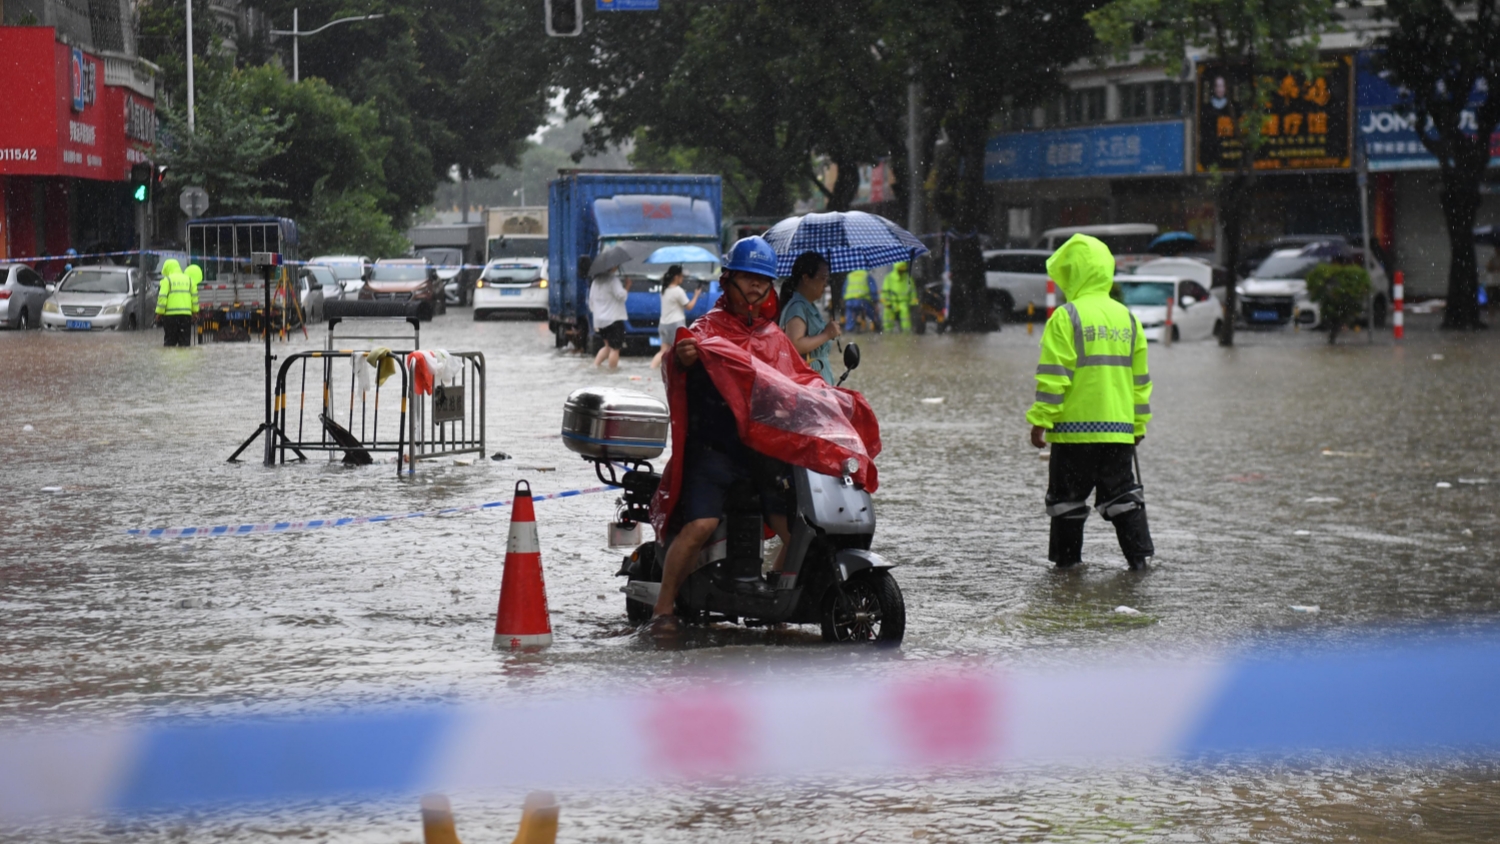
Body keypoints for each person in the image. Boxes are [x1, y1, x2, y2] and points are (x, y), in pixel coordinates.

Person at [647, 236, 881, 634]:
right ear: (729, 279)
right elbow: (676, 363)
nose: (756, 287)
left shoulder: (774, 337)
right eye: (748, 278)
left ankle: (777, 603)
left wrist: (835, 401)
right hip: (714, 451)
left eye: (763, 280)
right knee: (701, 526)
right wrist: (683, 358)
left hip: (762, 452)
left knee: (799, 531)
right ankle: (663, 607)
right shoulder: (705, 330)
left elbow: (800, 382)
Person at [1026, 234, 1154, 570]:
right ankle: (1139, 564)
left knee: (1066, 504)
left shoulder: (1067, 317)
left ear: (1073, 274)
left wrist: (1041, 419)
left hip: (1072, 434)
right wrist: (1138, 425)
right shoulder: (1128, 319)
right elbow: (1140, 382)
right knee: (1124, 499)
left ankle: (1067, 572)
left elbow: (1054, 375)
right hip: (1118, 433)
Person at [778, 251, 842, 385]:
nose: (825, 284)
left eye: (827, 279)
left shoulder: (809, 306)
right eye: (822, 278)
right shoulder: (797, 307)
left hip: (818, 381)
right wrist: (826, 334)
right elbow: (795, 345)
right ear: (806, 278)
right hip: (809, 386)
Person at [652, 264, 701, 370]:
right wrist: (696, 295)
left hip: (663, 324)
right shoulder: (678, 291)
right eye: (681, 276)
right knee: (679, 353)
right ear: (676, 277)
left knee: (663, 351)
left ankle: (652, 368)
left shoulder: (664, 289)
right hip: (676, 325)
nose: (682, 279)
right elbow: (689, 306)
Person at [588, 264, 630, 370]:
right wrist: (628, 286)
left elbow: (591, 302)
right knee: (615, 349)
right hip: (613, 319)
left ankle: (595, 366)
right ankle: (612, 372)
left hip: (600, 321)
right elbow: (621, 296)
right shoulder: (613, 280)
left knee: (607, 346)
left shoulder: (595, 282)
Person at [154, 259, 197, 347]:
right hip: (186, 316)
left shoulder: (167, 280)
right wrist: (195, 312)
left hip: (170, 317)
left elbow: (162, 298)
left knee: (170, 343)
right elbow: (194, 298)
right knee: (185, 344)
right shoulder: (189, 280)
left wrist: (159, 313)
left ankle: (170, 360)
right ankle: (185, 360)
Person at [881, 260, 916, 333]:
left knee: (905, 311)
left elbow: (913, 292)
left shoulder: (908, 278)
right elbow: (884, 293)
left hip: (904, 303)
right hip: (892, 303)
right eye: (900, 270)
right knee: (887, 313)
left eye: (903, 270)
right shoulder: (888, 278)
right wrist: (887, 303)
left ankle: (906, 332)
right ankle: (887, 332)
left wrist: (913, 303)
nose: (901, 272)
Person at [843, 268, 878, 332]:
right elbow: (873, 290)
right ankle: (877, 326)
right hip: (862, 300)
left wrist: (844, 299)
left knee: (850, 317)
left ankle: (849, 330)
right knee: (872, 314)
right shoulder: (866, 275)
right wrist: (875, 301)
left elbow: (844, 290)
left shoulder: (849, 275)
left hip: (850, 301)